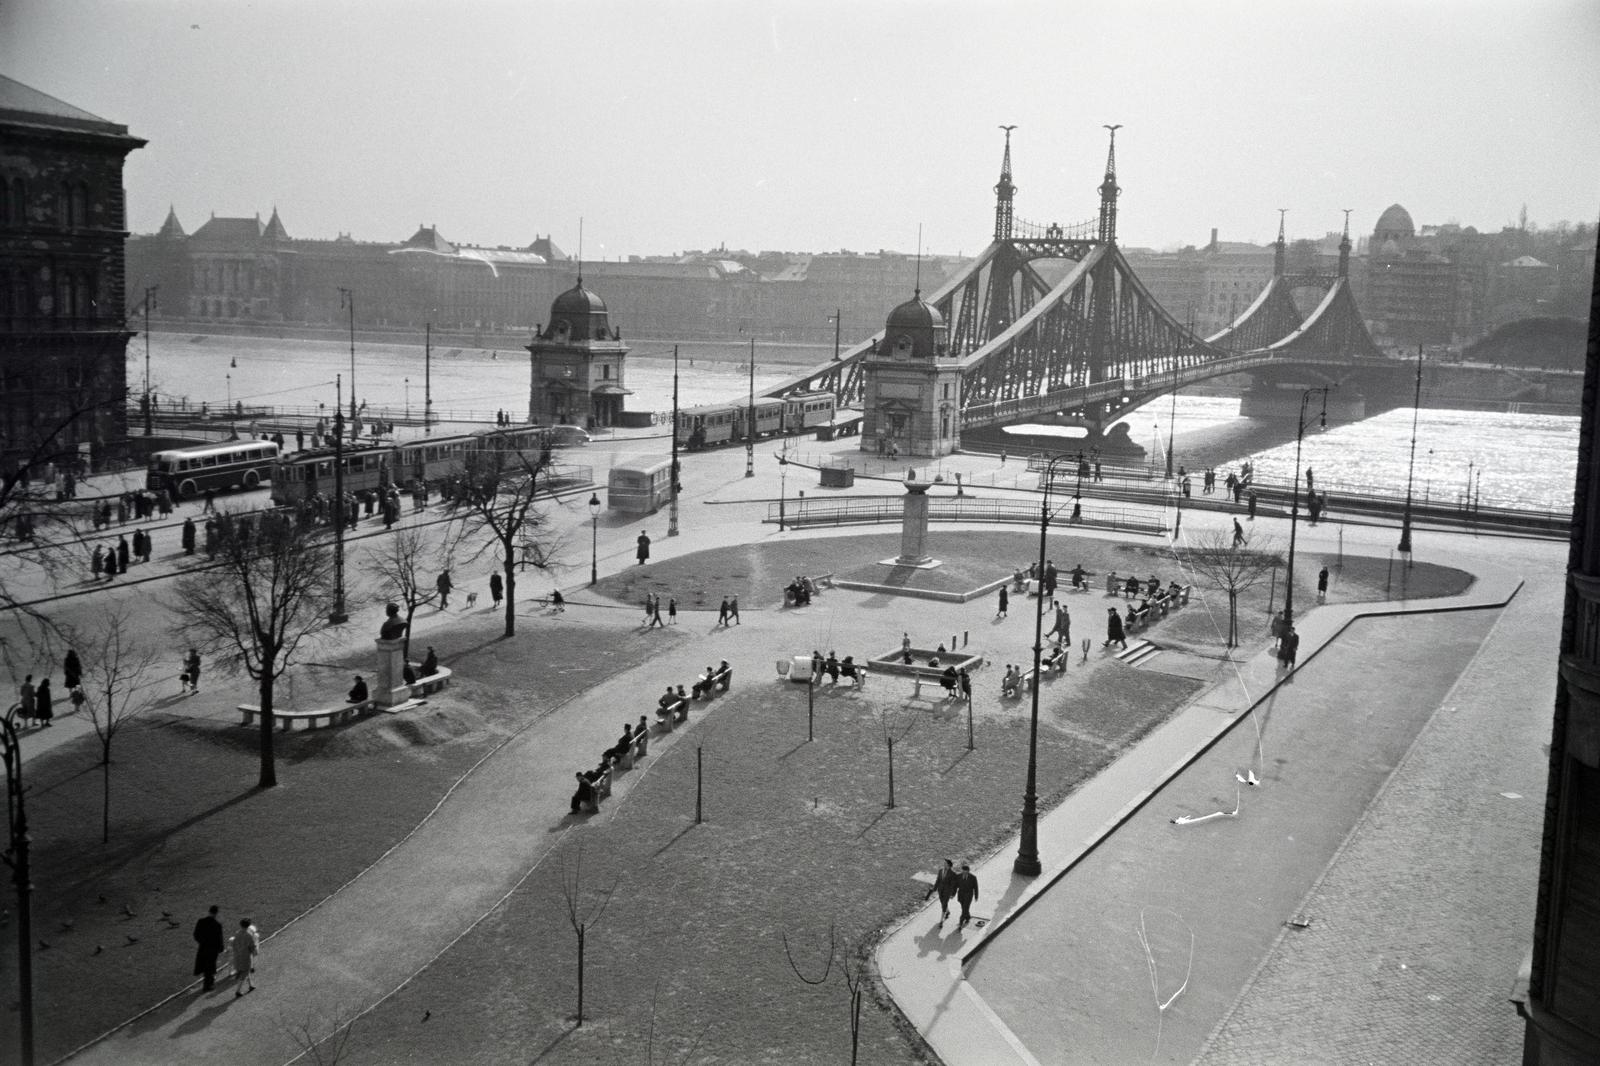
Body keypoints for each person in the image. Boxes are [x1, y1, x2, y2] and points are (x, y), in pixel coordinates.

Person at [193, 905, 225, 991]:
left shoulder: (201, 921)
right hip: (213, 949)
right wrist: (221, 948)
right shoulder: (217, 925)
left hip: (203, 947)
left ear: (209, 912)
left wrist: (202, 942)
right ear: (216, 913)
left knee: (204, 964)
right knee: (210, 966)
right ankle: (208, 985)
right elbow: (219, 938)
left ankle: (208, 982)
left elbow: (196, 934)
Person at [230, 918, 259, 997]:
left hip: (237, 956)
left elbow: (234, 944)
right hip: (245, 957)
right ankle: (238, 991)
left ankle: (251, 985)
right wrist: (255, 952)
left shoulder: (237, 933)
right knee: (244, 973)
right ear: (248, 926)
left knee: (246, 971)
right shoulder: (248, 936)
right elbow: (252, 947)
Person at [955, 863, 980, 928]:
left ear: (968, 871)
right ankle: (968, 917)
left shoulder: (973, 877)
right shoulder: (958, 876)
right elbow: (955, 886)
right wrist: (952, 893)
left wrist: (976, 896)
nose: (964, 872)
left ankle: (960, 922)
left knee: (965, 908)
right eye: (963, 871)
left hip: (969, 895)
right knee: (964, 908)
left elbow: (976, 887)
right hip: (961, 895)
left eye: (965, 871)